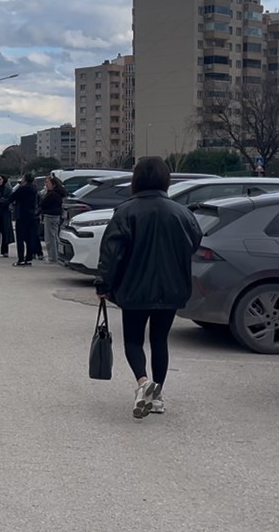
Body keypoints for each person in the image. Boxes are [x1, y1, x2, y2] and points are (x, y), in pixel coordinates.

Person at [96, 156, 203, 420]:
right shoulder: (181, 212)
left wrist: (104, 283)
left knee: (134, 340)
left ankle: (143, 382)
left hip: (134, 287)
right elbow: (194, 242)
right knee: (159, 340)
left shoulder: (126, 212)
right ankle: (158, 396)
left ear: (136, 180)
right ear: (166, 180)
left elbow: (111, 252)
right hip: (171, 287)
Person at [10, 173, 40, 266]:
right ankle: (29, 258)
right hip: (31, 215)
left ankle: (21, 259)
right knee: (29, 237)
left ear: (25, 179)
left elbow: (12, 196)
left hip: (22, 215)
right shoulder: (34, 189)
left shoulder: (22, 189)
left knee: (20, 238)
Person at [40, 176, 67, 263]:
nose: (46, 184)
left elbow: (43, 203)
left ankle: (52, 257)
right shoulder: (59, 193)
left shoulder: (52, 194)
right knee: (54, 236)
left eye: (48, 182)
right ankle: (56, 255)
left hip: (50, 216)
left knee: (50, 238)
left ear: (54, 184)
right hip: (55, 215)